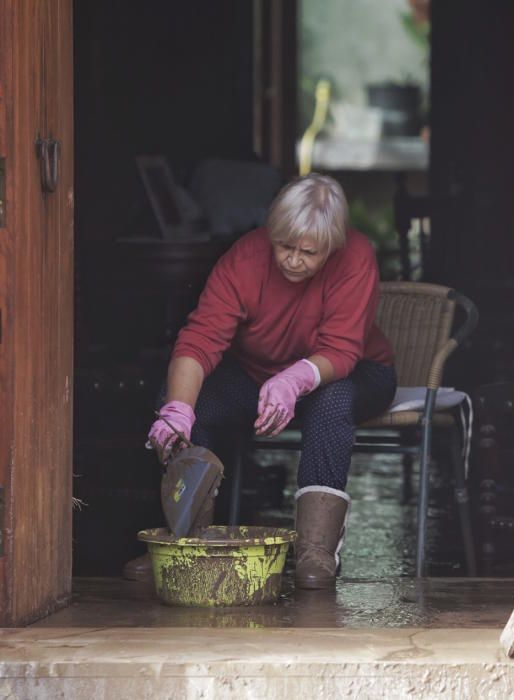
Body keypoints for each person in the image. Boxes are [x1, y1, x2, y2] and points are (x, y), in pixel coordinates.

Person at [147, 173, 396, 589]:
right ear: (271, 235)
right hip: (258, 375)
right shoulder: (244, 260)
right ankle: (184, 540)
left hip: (354, 371)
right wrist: (178, 409)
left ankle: (317, 552)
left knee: (330, 401)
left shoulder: (355, 257)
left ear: (332, 246)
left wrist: (295, 379)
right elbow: (201, 339)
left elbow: (342, 350)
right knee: (191, 400)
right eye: (284, 246)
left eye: (308, 252)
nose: (293, 261)